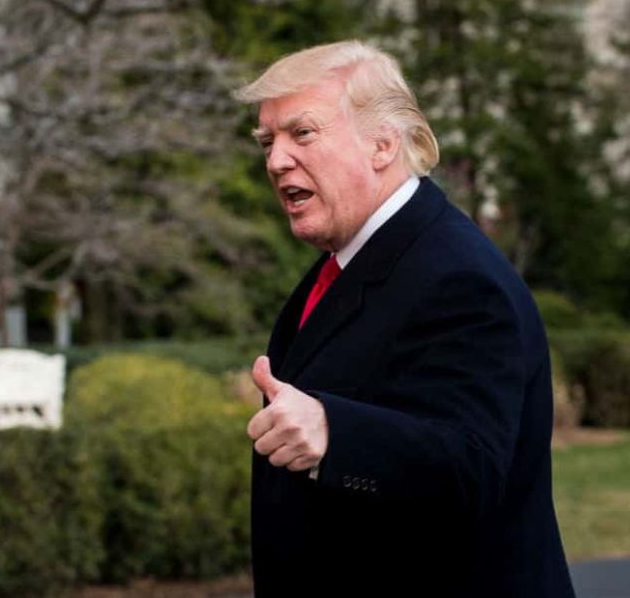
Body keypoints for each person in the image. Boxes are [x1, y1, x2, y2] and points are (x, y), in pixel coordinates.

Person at [235, 41, 575, 597]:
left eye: (303, 133)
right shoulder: (350, 262)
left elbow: (472, 468)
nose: (276, 161)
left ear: (383, 144)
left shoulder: (458, 276)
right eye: (268, 141)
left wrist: (333, 432)